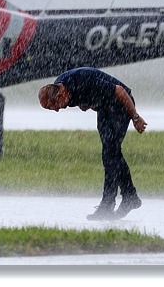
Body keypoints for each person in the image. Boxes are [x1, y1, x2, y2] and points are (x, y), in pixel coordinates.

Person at [38, 67, 147, 220]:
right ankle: (130, 196)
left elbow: (121, 91)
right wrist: (87, 103)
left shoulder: (82, 82)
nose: (56, 110)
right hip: (104, 107)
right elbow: (83, 102)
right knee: (111, 153)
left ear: (61, 94)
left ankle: (108, 204)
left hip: (121, 104)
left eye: (53, 106)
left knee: (110, 153)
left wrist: (136, 117)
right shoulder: (60, 88)